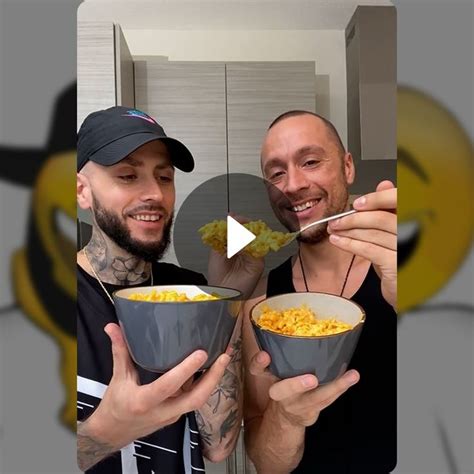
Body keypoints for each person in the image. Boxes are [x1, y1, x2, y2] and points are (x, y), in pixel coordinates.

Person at [76, 107, 261, 473]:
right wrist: (107, 432)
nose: (155, 194)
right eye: (128, 175)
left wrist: (226, 299)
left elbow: (219, 445)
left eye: (164, 177)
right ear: (82, 190)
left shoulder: (191, 290)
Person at [243, 111, 397, 473]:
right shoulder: (261, 307)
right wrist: (287, 418)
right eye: (276, 173)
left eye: (310, 161)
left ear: (347, 168)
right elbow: (267, 465)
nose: (293, 184)